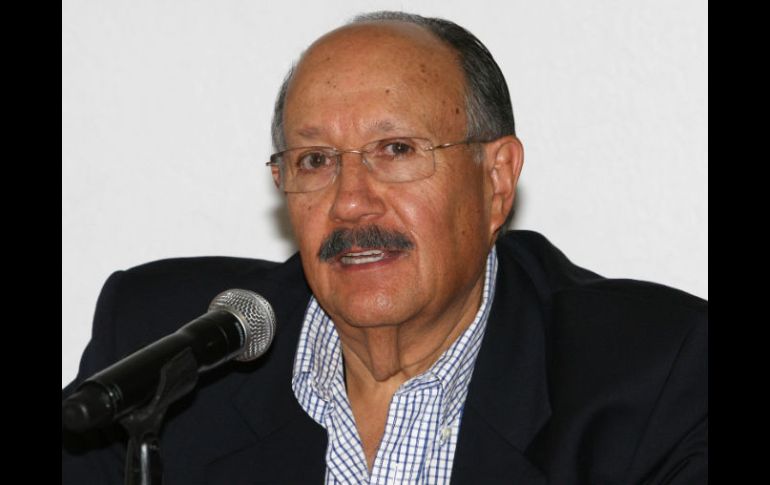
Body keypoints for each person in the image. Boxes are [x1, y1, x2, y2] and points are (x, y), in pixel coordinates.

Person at [62, 11, 707, 485]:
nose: (349, 202)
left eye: (395, 150)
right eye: (315, 160)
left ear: (496, 180)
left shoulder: (657, 374)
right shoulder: (157, 348)